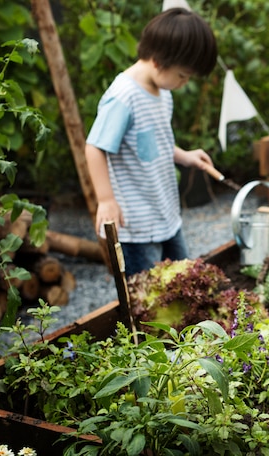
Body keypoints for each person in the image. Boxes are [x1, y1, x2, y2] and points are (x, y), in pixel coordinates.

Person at [85, 8, 218, 277]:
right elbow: (94, 147)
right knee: (146, 295)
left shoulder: (161, 91)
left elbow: (154, 144)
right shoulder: (124, 97)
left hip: (164, 212)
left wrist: (185, 156)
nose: (184, 83)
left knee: (182, 279)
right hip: (135, 224)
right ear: (158, 61)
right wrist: (106, 199)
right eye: (183, 75)